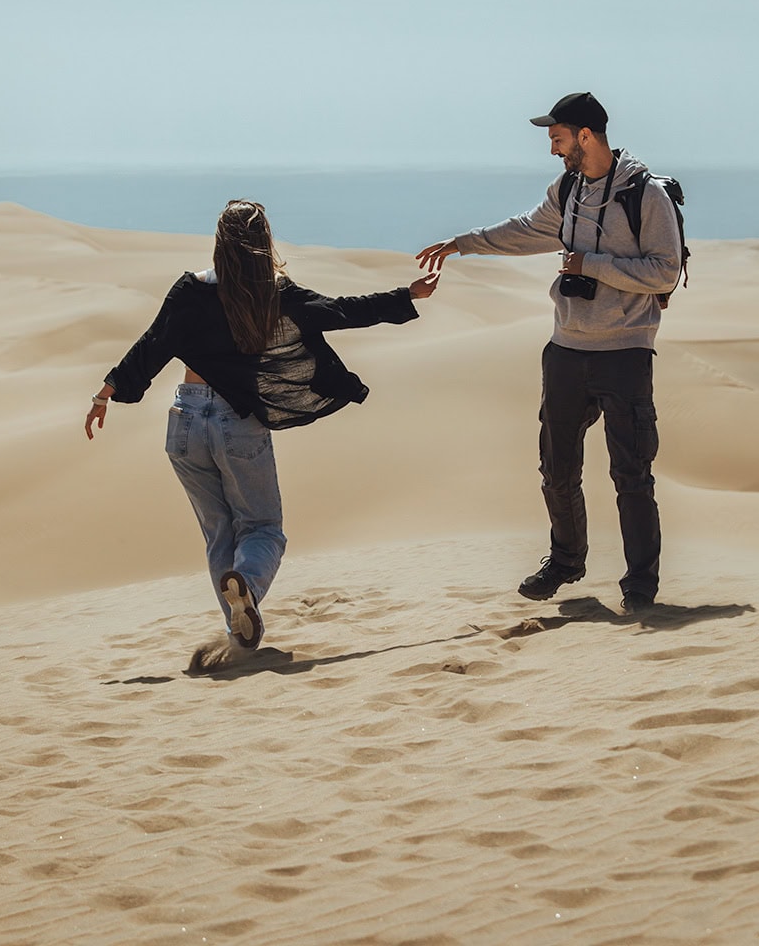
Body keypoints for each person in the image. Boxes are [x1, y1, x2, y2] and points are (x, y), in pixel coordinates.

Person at [86, 199, 438, 658]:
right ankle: (247, 590)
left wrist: (106, 391)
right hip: (235, 423)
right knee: (263, 528)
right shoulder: (273, 292)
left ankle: (240, 635)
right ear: (263, 244)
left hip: (184, 421)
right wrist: (406, 295)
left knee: (219, 533)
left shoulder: (189, 289)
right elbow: (340, 311)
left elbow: (153, 344)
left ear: (219, 244)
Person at [416, 92, 681, 614]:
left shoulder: (645, 196)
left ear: (586, 135)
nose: (553, 150)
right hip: (565, 351)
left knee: (631, 474)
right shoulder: (568, 189)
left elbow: (665, 271)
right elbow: (526, 230)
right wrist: (462, 242)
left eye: (558, 139)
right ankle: (566, 561)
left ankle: (640, 587)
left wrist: (591, 265)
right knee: (556, 468)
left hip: (625, 352)